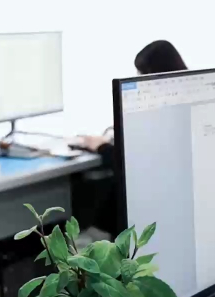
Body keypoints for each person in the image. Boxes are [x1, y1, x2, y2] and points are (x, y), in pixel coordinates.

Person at [75, 40, 188, 235]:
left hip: (153, 207)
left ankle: (94, 237)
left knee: (116, 185)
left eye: (141, 74)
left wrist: (101, 146)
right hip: (170, 202)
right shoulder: (183, 104)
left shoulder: (164, 115)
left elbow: (131, 163)